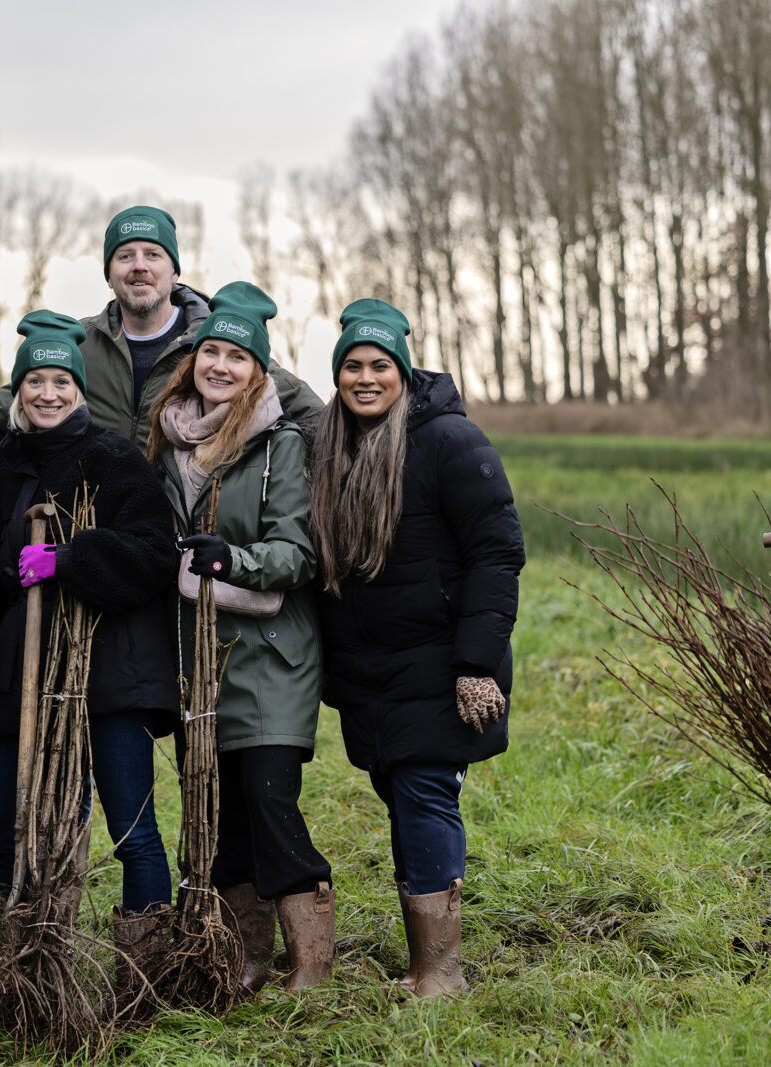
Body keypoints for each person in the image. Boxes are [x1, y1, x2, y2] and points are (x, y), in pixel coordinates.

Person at [309, 298, 524, 996]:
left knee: (424, 795)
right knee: (399, 797)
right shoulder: (329, 445)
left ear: (403, 370)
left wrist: (476, 663)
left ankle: (441, 973)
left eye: (380, 365)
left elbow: (497, 551)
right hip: (368, 668)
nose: (365, 378)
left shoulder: (449, 440)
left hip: (440, 661)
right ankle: (424, 963)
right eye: (352, 366)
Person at [146, 281, 333, 993]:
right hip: (199, 658)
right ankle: (248, 957)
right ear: (192, 361)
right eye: (210, 353)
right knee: (217, 812)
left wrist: (231, 558)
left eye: (237, 356)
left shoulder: (278, 444)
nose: (220, 365)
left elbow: (298, 553)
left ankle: (312, 963)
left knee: (269, 802)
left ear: (259, 370)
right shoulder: (167, 441)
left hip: (271, 658)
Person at [0, 309, 179, 947]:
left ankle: (147, 966)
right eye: (35, 381)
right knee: (0, 819)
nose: (48, 393)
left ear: (80, 389)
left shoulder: (113, 458)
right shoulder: (2, 468)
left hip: (111, 675)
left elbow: (156, 554)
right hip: (24, 676)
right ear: (18, 391)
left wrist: (70, 559)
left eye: (62, 381)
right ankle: (35, 946)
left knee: (131, 830)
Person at [0, 204, 325, 454]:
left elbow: (317, 420)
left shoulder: (214, 346)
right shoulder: (78, 346)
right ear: (109, 276)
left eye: (153, 255)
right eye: (125, 256)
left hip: (185, 529)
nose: (139, 266)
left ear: (174, 272)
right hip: (92, 526)